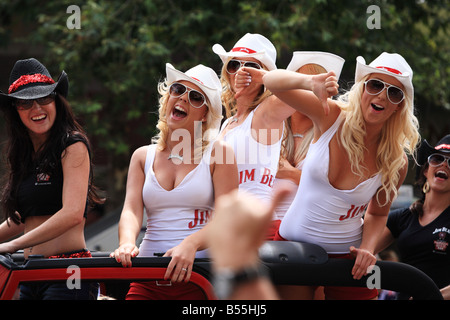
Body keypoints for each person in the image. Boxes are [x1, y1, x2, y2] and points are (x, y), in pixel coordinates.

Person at [264, 52, 420, 299]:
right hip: (292, 247)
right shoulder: (331, 115)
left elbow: (378, 213)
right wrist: (309, 83)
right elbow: (271, 80)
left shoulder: (395, 160)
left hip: (348, 260)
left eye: (394, 92)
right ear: (362, 88)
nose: (381, 95)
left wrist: (368, 249)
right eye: (376, 84)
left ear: (399, 105)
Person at [111, 63, 238, 300]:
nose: (182, 99)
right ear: (167, 98)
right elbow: (131, 210)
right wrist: (126, 243)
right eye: (177, 89)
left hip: (200, 278)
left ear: (205, 114)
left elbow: (228, 218)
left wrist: (190, 244)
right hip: (147, 276)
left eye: (196, 97)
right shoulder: (142, 156)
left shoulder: (219, 153)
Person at [0, 58, 103, 300]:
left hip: (68, 273)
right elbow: (22, 218)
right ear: (15, 110)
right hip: (30, 275)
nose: (37, 109)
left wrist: (12, 245)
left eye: (44, 98)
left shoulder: (73, 144)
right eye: (26, 103)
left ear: (57, 101)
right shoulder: (24, 154)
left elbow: (73, 213)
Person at [212, 33, 295, 239]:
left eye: (251, 66)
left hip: (258, 229)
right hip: (225, 229)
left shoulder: (266, 112)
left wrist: (264, 77)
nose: (241, 71)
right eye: (234, 65)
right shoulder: (227, 124)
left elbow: (305, 91)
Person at [376, 134, 450, 300]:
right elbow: (364, 248)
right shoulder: (404, 217)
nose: (444, 164)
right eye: (437, 159)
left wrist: (433, 296)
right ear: (425, 169)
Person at [273, 51, 345, 223]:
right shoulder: (271, 125)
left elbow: (336, 192)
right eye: (304, 83)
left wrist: (291, 174)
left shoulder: (334, 135)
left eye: (317, 85)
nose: (309, 90)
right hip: (264, 228)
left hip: (309, 229)